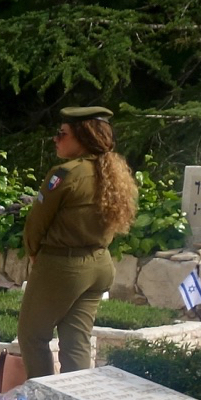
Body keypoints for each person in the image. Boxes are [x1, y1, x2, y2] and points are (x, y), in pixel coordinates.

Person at [18, 105, 138, 378]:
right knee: (76, 342)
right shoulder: (112, 173)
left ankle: (44, 398)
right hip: (99, 265)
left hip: (64, 265)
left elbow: (37, 223)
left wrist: (34, 253)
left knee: (32, 336)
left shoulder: (65, 174)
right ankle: (76, 399)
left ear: (83, 137)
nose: (55, 139)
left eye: (62, 134)